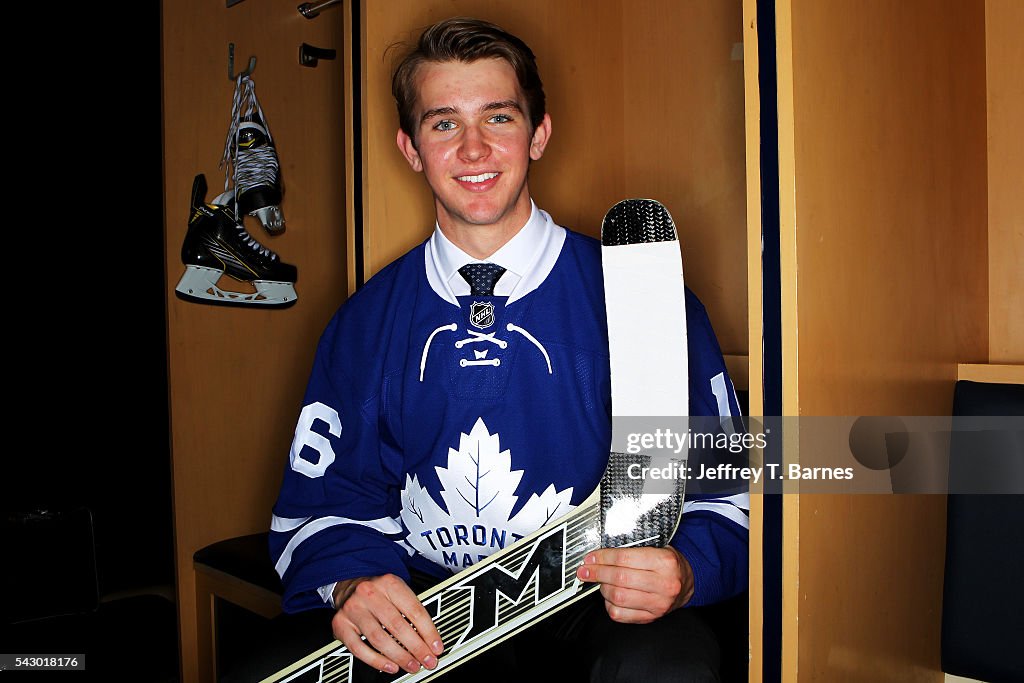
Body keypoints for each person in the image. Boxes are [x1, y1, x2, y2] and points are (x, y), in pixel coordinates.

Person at [261, 16, 748, 683]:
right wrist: (353, 583)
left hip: (595, 603)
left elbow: (728, 495)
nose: (472, 150)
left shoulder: (640, 297)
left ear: (538, 134)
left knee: (667, 667)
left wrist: (685, 567)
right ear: (409, 148)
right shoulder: (363, 324)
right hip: (431, 609)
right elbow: (320, 506)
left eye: (498, 118)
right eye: (442, 124)